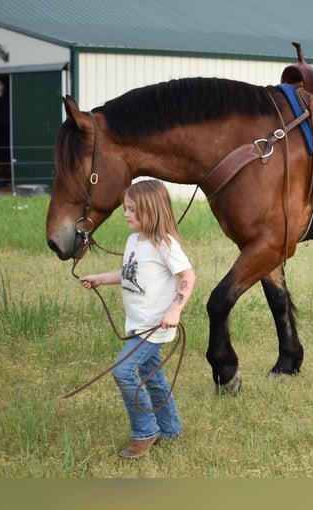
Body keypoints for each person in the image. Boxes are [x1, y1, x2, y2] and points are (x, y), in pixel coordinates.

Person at [79, 179, 196, 459]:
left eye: (132, 210)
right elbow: (129, 273)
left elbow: (188, 277)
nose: (125, 214)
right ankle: (169, 430)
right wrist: (100, 279)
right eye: (126, 209)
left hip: (154, 327)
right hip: (136, 325)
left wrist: (175, 310)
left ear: (151, 210)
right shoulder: (134, 241)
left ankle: (145, 431)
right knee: (152, 378)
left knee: (123, 371)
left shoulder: (165, 245)